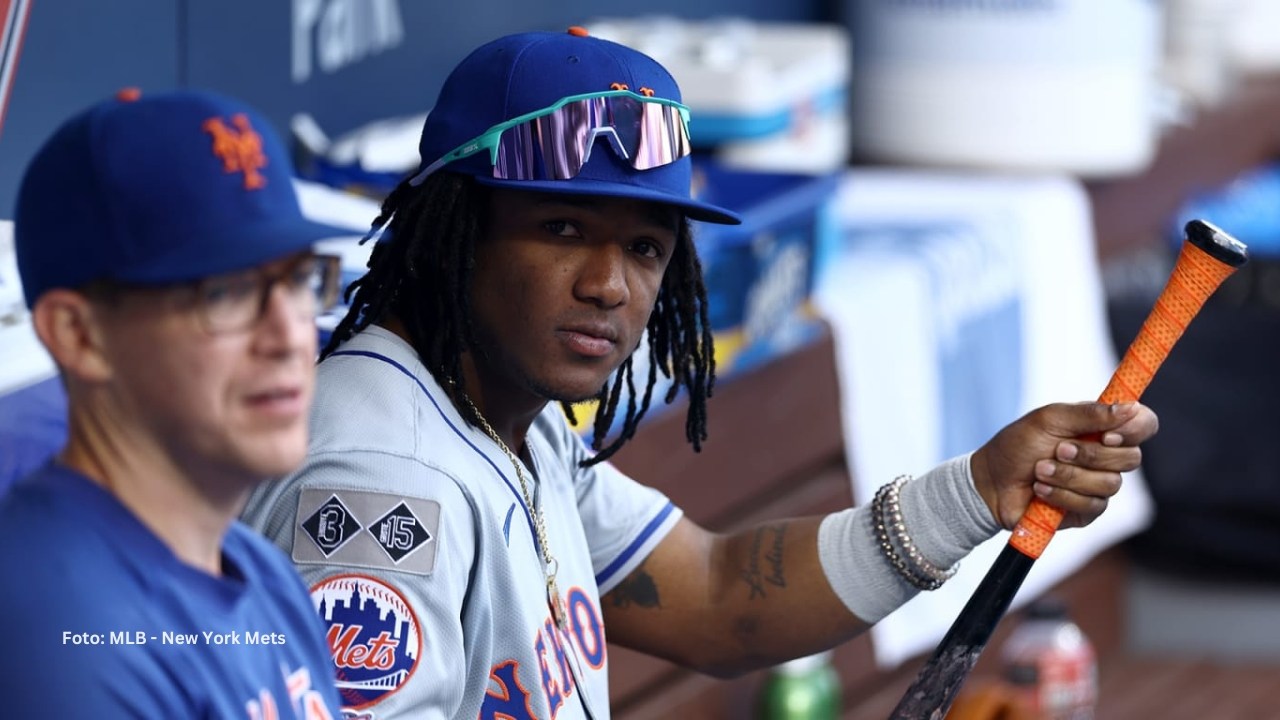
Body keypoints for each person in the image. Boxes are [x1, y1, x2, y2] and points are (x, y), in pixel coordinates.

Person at [240, 28, 1159, 720]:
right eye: (561, 228)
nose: (608, 285)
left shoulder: (497, 407)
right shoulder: (385, 488)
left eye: (644, 247)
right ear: (453, 228)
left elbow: (716, 595)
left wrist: (978, 490)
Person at [1, 88, 347, 718]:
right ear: (80, 337)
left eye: (298, 279)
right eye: (227, 292)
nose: (292, 336)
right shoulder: (57, 635)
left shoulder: (258, 569)